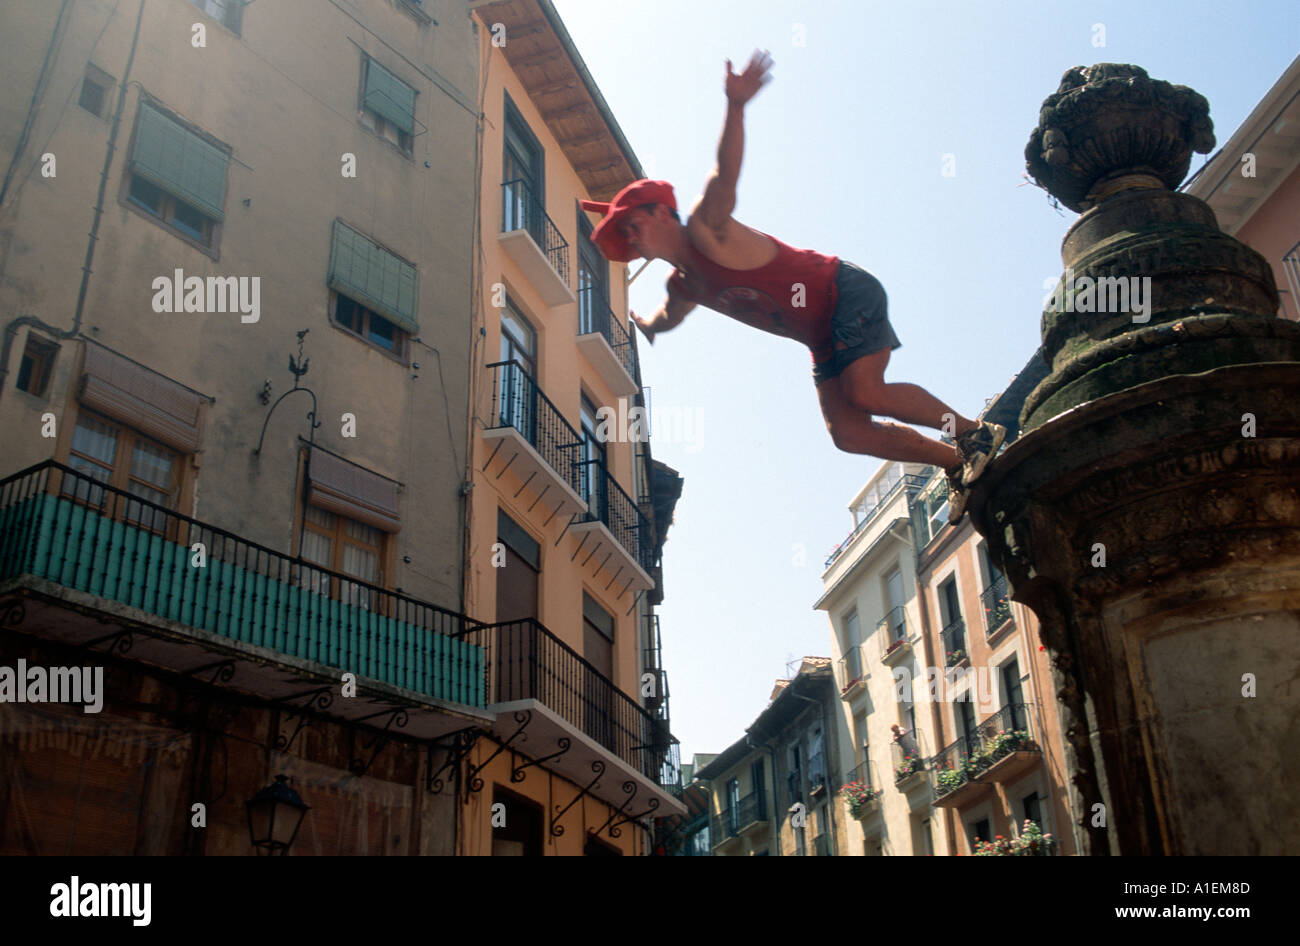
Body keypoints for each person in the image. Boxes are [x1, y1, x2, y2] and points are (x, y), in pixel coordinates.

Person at [578, 51, 1004, 518]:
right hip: (819, 336)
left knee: (865, 392)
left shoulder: (706, 228)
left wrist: (736, 106)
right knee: (849, 434)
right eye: (623, 236)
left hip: (844, 291)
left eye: (631, 224)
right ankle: (956, 463)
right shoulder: (684, 284)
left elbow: (723, 176)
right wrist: (650, 327)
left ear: (661, 211)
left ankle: (971, 433)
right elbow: (668, 317)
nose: (629, 237)